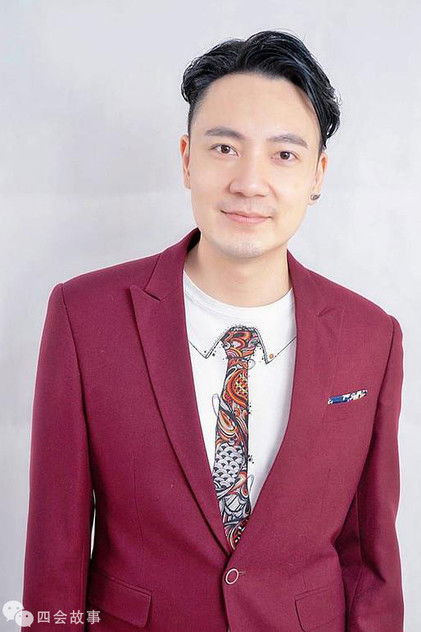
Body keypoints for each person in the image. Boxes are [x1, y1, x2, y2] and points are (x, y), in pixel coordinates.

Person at [21, 30, 404, 631]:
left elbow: (370, 559)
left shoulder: (370, 336)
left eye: (284, 155)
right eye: (224, 148)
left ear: (318, 174)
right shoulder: (85, 316)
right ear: (186, 158)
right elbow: (55, 550)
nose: (249, 182)